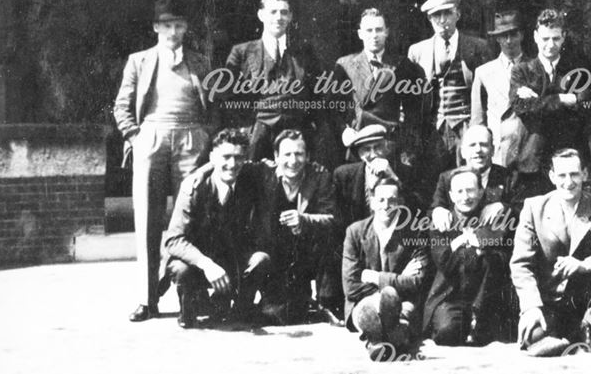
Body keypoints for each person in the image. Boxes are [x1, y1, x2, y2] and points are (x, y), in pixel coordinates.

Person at [113, 0, 214, 322]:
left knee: (192, 216)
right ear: (156, 27)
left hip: (191, 139)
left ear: (186, 28)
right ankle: (147, 298)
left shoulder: (200, 62)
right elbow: (122, 106)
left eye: (179, 25)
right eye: (167, 25)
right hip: (152, 139)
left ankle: (192, 296)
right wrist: (135, 137)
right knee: (147, 220)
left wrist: (206, 138)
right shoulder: (139, 61)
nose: (173, 31)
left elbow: (215, 105)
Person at [510, 148, 591, 356]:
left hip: (585, 299)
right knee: (533, 337)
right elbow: (521, 264)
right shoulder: (534, 208)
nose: (568, 182)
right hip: (547, 300)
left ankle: (588, 328)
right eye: (562, 175)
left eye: (574, 174)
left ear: (584, 174)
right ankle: (565, 336)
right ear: (552, 177)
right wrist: (531, 306)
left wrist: (584, 264)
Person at [162, 129, 271, 329]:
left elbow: (277, 166)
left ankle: (240, 310)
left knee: (260, 259)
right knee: (180, 269)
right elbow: (174, 240)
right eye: (226, 157)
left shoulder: (251, 177)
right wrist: (206, 264)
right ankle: (190, 309)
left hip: (233, 257)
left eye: (238, 158)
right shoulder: (193, 188)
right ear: (212, 158)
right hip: (200, 260)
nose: (232, 164)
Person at [252, 129, 343, 326]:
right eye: (287, 154)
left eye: (299, 154)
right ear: (276, 156)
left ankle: (327, 302)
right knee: (280, 313)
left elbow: (333, 219)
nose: (293, 161)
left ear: (308, 156)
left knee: (331, 242)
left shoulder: (319, 175)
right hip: (275, 252)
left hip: (307, 252)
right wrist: (196, 176)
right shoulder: (263, 173)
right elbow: (230, 164)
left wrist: (305, 220)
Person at [224, 0, 324, 162]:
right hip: (256, 132)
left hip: (295, 132)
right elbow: (228, 96)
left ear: (290, 17)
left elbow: (318, 94)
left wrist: (310, 126)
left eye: (284, 12)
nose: (279, 17)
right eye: (273, 12)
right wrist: (245, 129)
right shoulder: (242, 52)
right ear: (261, 15)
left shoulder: (304, 53)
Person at [342, 176, 430, 360]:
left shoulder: (415, 233)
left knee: (401, 310)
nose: (386, 205)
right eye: (381, 200)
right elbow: (351, 286)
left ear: (401, 203)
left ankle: (376, 343)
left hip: (403, 301)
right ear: (372, 202)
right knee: (369, 311)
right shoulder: (355, 232)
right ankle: (392, 337)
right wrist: (397, 279)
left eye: (392, 200)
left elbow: (417, 281)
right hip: (363, 301)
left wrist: (375, 277)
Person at [423, 168, 514, 346]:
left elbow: (504, 256)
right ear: (450, 195)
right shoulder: (441, 220)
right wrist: (471, 243)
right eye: (459, 191)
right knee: (447, 333)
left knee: (491, 336)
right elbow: (445, 262)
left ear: (481, 192)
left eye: (471, 190)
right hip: (451, 295)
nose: (466, 197)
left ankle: (477, 322)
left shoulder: (492, 216)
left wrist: (472, 242)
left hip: (486, 297)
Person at [509, 9, 591, 197]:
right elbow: (521, 108)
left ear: (563, 37)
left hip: (569, 157)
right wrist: (562, 99)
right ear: (535, 36)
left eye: (556, 39)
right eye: (545, 38)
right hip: (532, 159)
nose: (550, 45)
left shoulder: (578, 70)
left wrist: (538, 101)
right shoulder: (521, 71)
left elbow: (582, 107)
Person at [407, 0, 491, 183]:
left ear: (458, 15)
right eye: (436, 15)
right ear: (429, 18)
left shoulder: (478, 47)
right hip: (432, 129)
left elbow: (487, 93)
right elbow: (411, 98)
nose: (442, 20)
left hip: (467, 126)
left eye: (447, 13)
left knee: (469, 179)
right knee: (433, 181)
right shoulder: (417, 51)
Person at [328, 8, 425, 166]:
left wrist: (406, 149)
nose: (374, 35)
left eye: (379, 30)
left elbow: (413, 113)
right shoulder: (344, 65)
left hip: (388, 144)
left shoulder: (403, 66)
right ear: (360, 34)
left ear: (386, 32)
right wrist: (343, 130)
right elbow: (331, 107)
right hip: (357, 144)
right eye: (369, 30)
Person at [429, 125, 518, 232]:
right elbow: (434, 207)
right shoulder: (447, 178)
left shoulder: (509, 177)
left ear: (493, 150)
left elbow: (522, 209)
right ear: (462, 152)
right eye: (472, 145)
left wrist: (503, 207)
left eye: (484, 145)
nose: (478, 150)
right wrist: (437, 211)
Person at [471, 10, 526, 167]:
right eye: (503, 36)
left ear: (521, 35)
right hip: (497, 151)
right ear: (497, 38)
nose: (508, 41)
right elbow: (477, 119)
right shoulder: (484, 72)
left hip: (527, 149)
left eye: (513, 34)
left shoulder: (534, 67)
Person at [330, 124, 413, 227]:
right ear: (359, 153)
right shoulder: (344, 175)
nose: (373, 155)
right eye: (366, 149)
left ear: (387, 147)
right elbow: (339, 220)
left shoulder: (405, 172)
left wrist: (393, 177)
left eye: (378, 147)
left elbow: (417, 210)